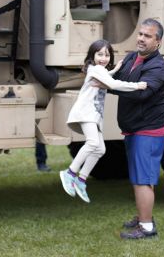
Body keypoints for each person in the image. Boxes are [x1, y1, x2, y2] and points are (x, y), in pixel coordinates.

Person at [59, 39, 147, 203]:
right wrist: (136, 86)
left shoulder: (100, 71)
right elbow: (113, 84)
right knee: (92, 143)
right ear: (92, 56)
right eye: (100, 54)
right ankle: (70, 173)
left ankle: (81, 179)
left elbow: (107, 77)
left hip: (94, 116)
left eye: (107, 55)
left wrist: (115, 69)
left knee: (100, 149)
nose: (103, 58)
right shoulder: (96, 69)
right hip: (86, 114)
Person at [110, 18, 164, 240]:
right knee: (140, 177)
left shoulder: (157, 67)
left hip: (148, 131)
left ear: (158, 42)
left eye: (148, 36)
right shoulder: (134, 57)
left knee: (143, 179)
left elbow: (139, 93)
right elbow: (119, 79)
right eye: (140, 34)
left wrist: (109, 85)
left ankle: (146, 227)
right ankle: (145, 216)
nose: (141, 39)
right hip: (135, 128)